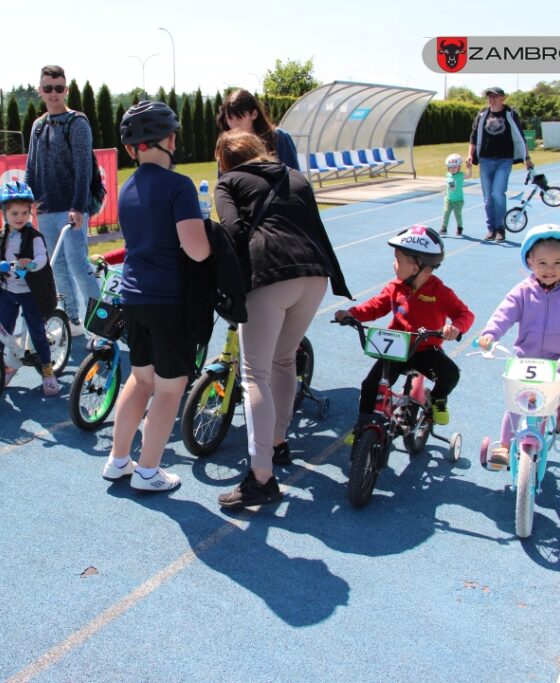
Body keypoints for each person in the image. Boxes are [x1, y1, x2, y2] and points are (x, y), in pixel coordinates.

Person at [212, 129, 352, 508]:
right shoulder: (297, 177)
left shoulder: (229, 181)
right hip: (315, 275)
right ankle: (277, 441)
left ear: (225, 160)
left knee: (254, 372)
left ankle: (261, 477)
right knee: (284, 358)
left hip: (270, 275)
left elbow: (232, 230)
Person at [100, 101, 210, 493]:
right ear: (170, 139)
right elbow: (196, 249)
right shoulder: (179, 185)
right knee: (169, 387)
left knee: (140, 378)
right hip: (168, 300)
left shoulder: (127, 188)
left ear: (133, 148)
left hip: (133, 297)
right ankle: (148, 471)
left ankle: (118, 460)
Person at [477, 225, 560, 466]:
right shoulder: (522, 291)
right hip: (526, 359)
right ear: (530, 261)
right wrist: (490, 335)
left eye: (557, 262)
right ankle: (504, 445)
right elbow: (505, 312)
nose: (549, 269)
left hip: (558, 358)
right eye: (542, 262)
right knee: (515, 403)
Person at [335, 226, 473, 441]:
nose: (394, 264)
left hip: (425, 348)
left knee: (451, 374)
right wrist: (351, 314)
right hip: (396, 347)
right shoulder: (395, 287)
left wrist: (455, 328)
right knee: (370, 385)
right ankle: (363, 423)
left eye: (398, 260)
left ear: (417, 266)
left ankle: (437, 399)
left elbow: (464, 314)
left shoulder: (441, 293)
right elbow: (375, 306)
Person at [0, 181, 61, 397]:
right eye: (14, 213)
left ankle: (47, 370)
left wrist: (31, 264)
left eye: (24, 213)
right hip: (8, 291)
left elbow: (41, 259)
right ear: (4, 213)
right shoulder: (3, 235)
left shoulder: (34, 236)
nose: (20, 217)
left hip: (30, 293)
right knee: (1, 330)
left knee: (37, 333)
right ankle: (6, 366)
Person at [25, 65, 99, 338]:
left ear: (66, 90)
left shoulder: (77, 122)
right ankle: (73, 320)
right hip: (45, 208)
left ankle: (101, 321)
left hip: (71, 209)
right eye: (48, 88)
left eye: (58, 88)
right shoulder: (37, 126)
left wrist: (78, 207)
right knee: (57, 267)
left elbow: (84, 169)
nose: (53, 93)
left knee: (78, 264)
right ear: (40, 90)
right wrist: (27, 200)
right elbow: (30, 166)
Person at [465, 87, 533, 242]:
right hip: (485, 160)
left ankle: (501, 228)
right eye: (489, 96)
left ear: (503, 98)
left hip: (504, 159)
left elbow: (520, 136)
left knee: (498, 193)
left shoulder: (510, 113)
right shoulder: (482, 114)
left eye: (495, 96)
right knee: (488, 197)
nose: (491, 99)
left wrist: (526, 158)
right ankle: (491, 228)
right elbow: (474, 135)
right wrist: (470, 154)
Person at [217, 89, 300, 170]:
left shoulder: (279, 138)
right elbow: (224, 180)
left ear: (254, 114)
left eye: (239, 118)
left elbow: (294, 177)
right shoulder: (226, 145)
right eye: (229, 118)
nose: (234, 124)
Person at [442, 153, 465, 236]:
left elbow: (469, 175)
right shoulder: (448, 175)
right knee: (446, 212)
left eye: (455, 167)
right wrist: (446, 194)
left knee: (457, 215)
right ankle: (444, 228)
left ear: (459, 167)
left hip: (458, 200)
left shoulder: (461, 175)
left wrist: (469, 168)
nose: (453, 169)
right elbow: (448, 186)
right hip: (449, 199)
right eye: (451, 167)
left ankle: (460, 227)